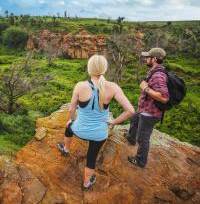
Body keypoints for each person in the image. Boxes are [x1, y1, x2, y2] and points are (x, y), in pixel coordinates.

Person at [57, 55, 135, 190]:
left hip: (79, 130)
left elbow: (72, 108)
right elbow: (130, 111)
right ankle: (86, 184)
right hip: (99, 134)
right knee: (91, 158)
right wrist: (113, 122)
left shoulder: (80, 86)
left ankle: (66, 149)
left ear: (89, 68)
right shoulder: (112, 87)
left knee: (68, 127)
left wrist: (72, 119)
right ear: (104, 69)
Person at [125, 48, 169, 168]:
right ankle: (131, 138)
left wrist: (145, 88)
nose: (146, 59)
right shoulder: (155, 71)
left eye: (148, 57)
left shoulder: (158, 75)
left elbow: (164, 97)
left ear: (154, 59)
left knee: (143, 138)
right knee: (134, 118)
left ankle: (140, 161)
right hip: (145, 109)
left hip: (150, 113)